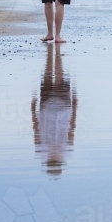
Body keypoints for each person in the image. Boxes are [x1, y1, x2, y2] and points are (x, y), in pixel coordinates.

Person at [31, 41, 78, 177]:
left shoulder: (58, 150)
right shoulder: (44, 151)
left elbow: (72, 127)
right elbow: (36, 129)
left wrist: (75, 106)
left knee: (58, 76)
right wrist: (32, 110)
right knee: (49, 76)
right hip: (52, 107)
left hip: (58, 107)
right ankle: (54, 53)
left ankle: (54, 53)